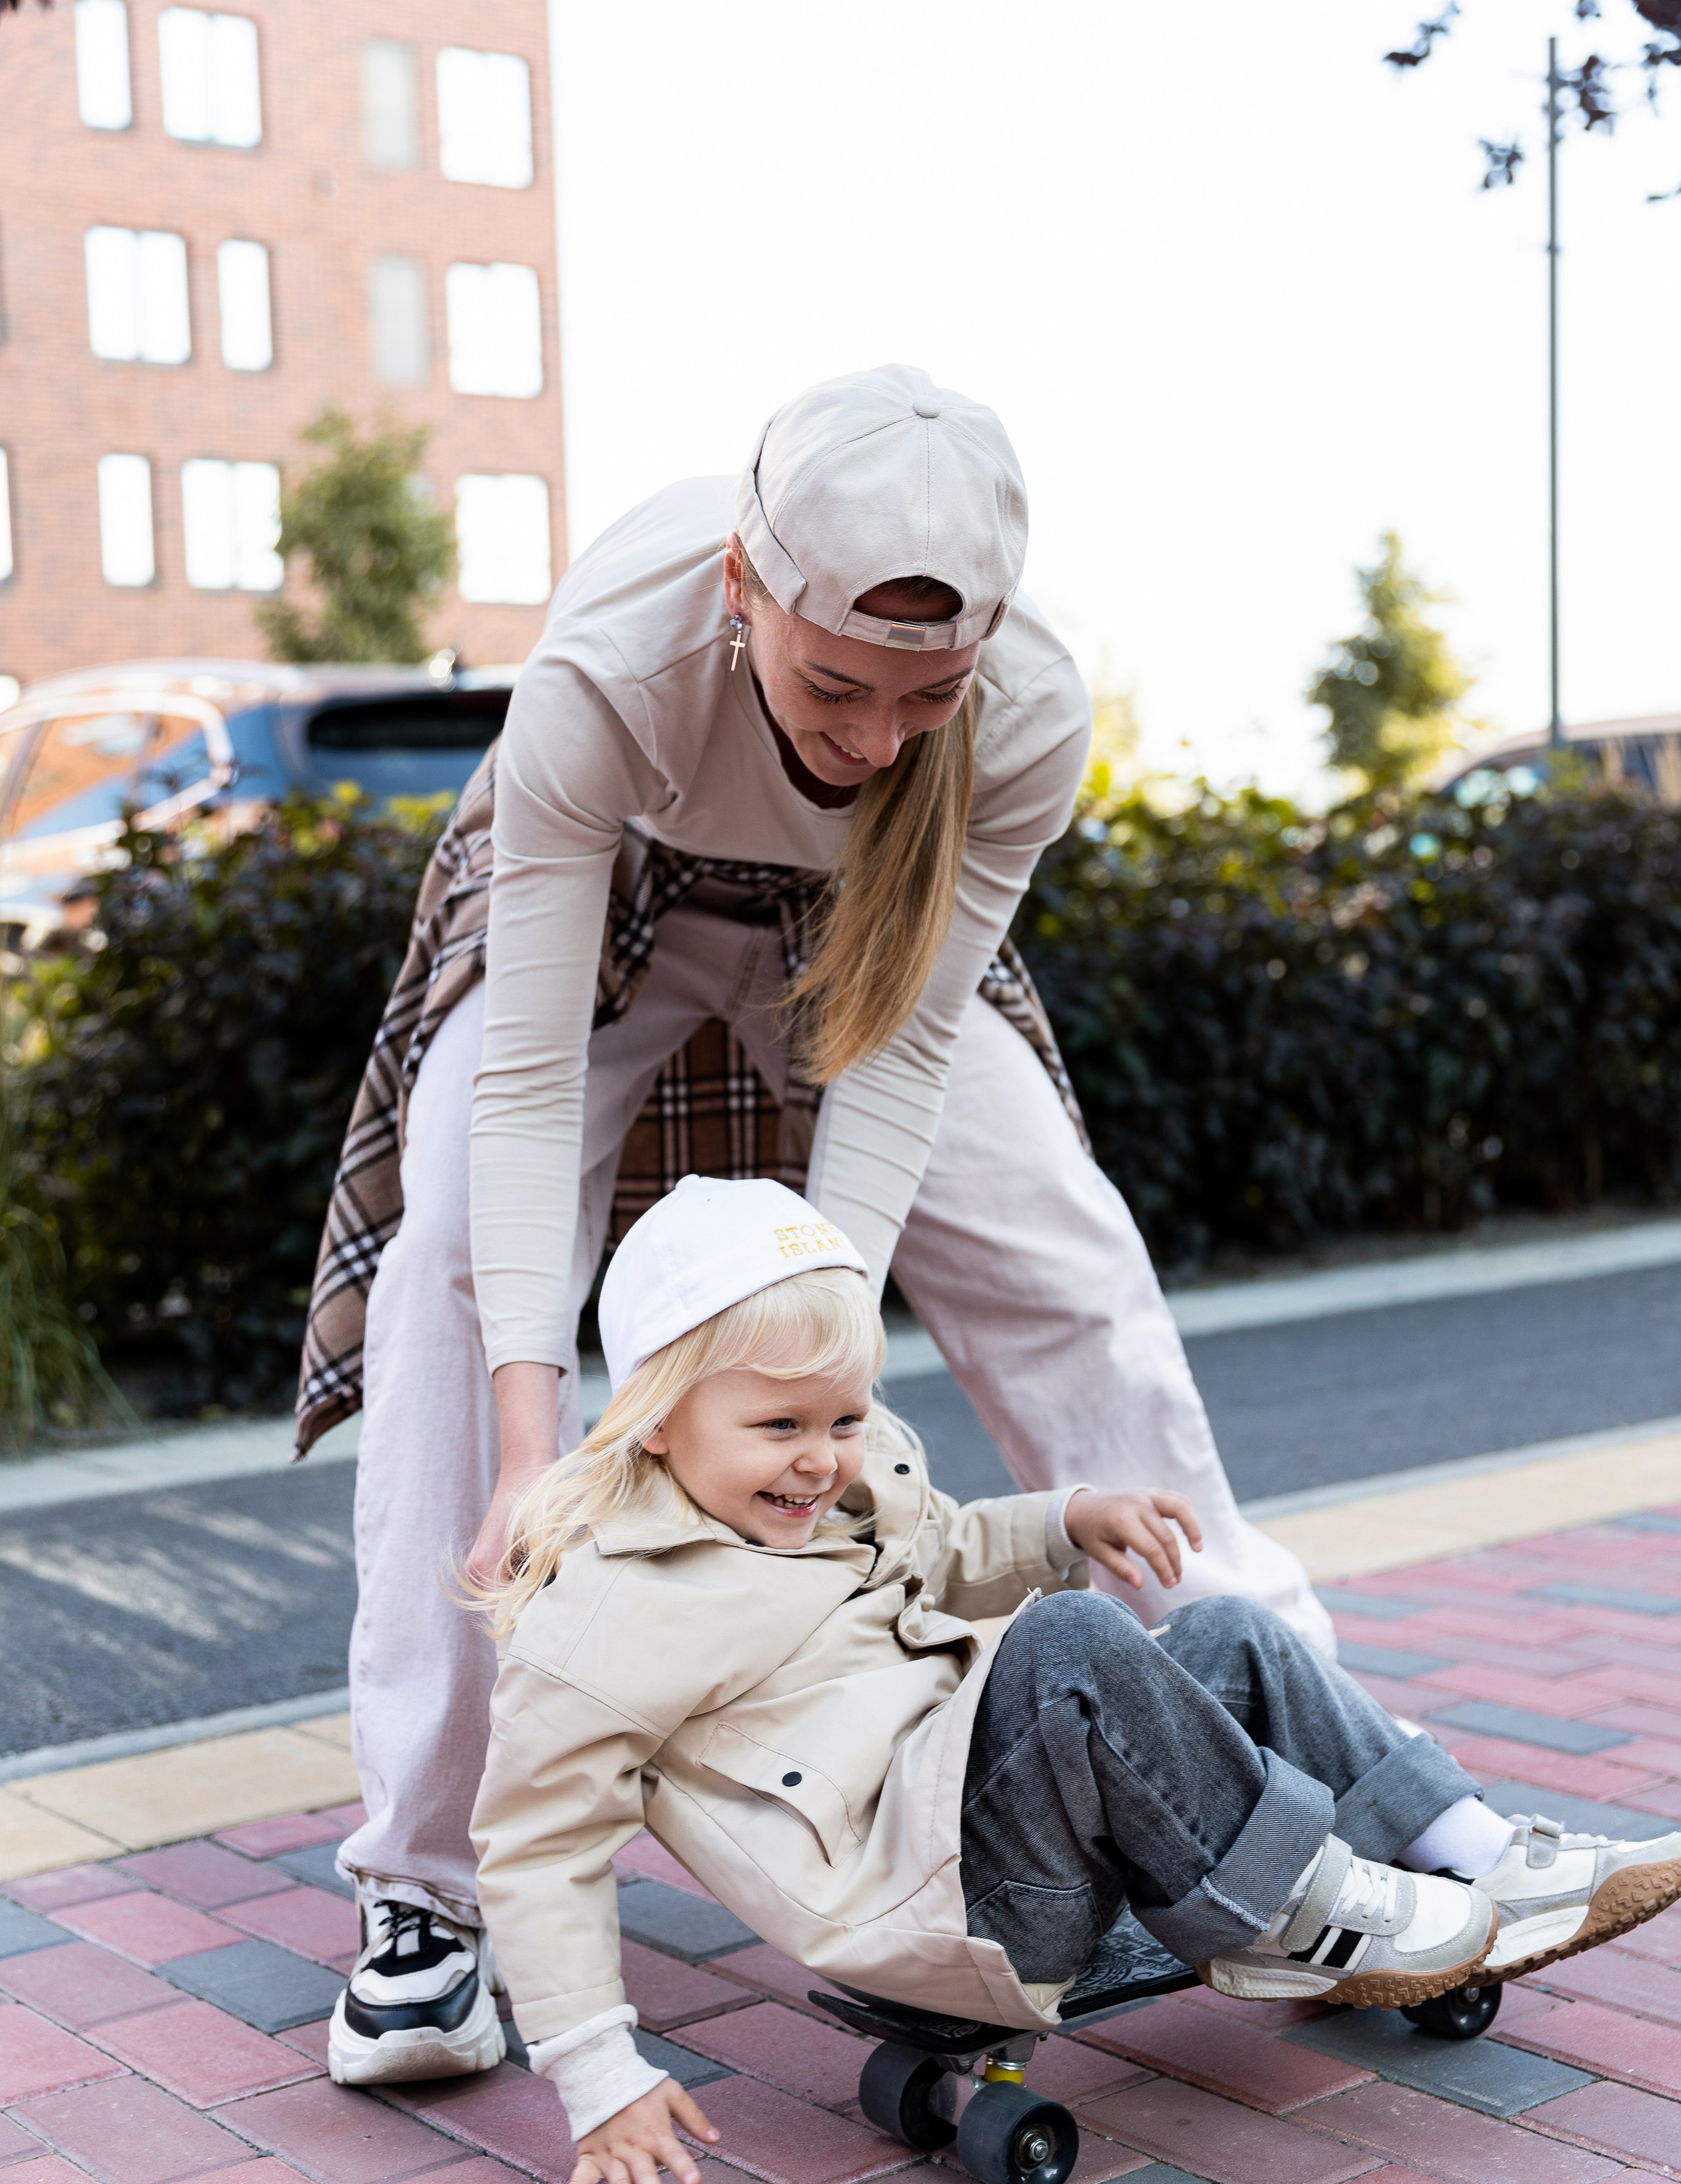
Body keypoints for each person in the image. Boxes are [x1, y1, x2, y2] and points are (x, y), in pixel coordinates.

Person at [306, 364, 1342, 2090]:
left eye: (921, 695)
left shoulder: (1014, 725)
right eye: (834, 686)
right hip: (621, 881)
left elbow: (905, 1070)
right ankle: (426, 1897)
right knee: (445, 1279)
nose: (870, 741)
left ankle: (1284, 1722)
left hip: (867, 917)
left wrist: (824, 1417)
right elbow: (530, 1095)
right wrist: (526, 1452)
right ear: (743, 592)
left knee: (1062, 1250)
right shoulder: (612, 669)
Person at [470, 1177, 1681, 2184]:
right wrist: (597, 2075)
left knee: (1229, 1635)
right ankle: (1305, 1912)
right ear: (655, 1415)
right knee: (1070, 1646)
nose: (823, 1457)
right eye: (779, 1426)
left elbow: (940, 1544)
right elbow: (537, 1846)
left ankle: (1476, 1856)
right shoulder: (610, 1612)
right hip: (956, 1906)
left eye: (845, 1418)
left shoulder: (829, 1489)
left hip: (1009, 1829)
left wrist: (1065, 1520)